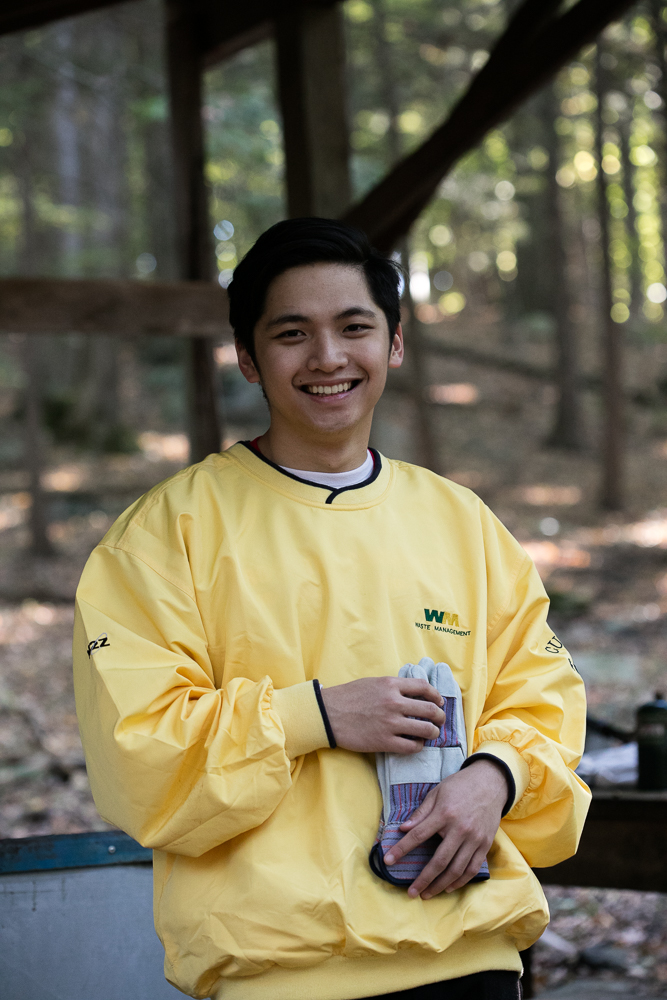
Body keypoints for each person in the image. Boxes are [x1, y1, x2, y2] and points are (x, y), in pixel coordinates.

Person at [73, 218, 590, 1000]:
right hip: (279, 970)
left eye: (353, 327)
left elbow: (542, 697)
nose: (326, 358)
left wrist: (498, 772)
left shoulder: (461, 523)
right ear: (247, 357)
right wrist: (313, 715)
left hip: (469, 954)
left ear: (393, 343)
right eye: (291, 334)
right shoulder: (165, 534)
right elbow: (138, 750)